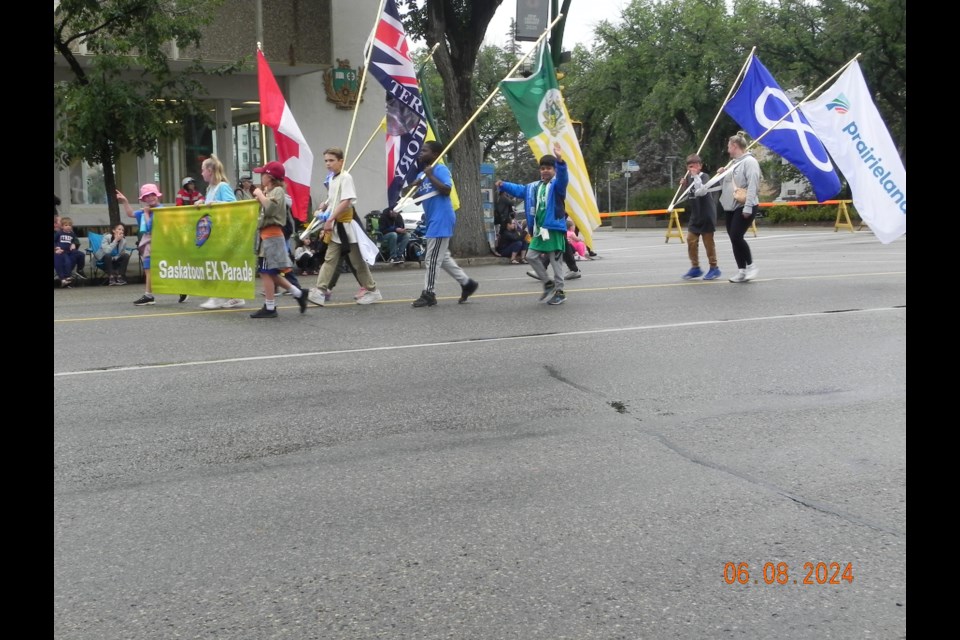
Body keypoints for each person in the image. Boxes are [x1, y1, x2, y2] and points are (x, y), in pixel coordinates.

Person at [307, 147, 383, 306]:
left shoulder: (346, 177)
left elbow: (346, 201)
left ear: (341, 161)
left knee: (357, 262)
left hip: (347, 227)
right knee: (329, 259)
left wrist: (331, 218)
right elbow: (334, 199)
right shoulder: (333, 179)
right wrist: (325, 205)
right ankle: (320, 290)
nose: (328, 163)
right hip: (337, 227)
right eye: (326, 160)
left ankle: (373, 290)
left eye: (331, 160)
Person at [498, 142, 569, 305]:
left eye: (549, 168)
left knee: (555, 261)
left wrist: (560, 160)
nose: (545, 171)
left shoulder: (557, 186)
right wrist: (504, 184)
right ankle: (548, 283)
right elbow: (519, 190)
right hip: (539, 231)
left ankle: (560, 291)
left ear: (554, 170)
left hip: (553, 230)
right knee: (530, 256)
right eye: (543, 168)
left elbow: (564, 177)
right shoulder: (533, 187)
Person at [410, 140, 479, 308]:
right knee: (442, 257)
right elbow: (416, 200)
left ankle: (429, 293)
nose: (421, 153)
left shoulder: (440, 169)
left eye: (424, 150)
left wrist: (431, 175)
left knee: (431, 259)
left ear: (434, 154)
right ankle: (467, 284)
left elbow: (447, 190)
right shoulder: (421, 174)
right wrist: (414, 186)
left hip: (442, 219)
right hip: (432, 219)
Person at [248, 161, 308, 318]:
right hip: (267, 237)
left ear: (270, 177)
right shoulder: (270, 192)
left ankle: (270, 307)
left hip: (272, 237)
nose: (261, 177)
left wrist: (261, 195)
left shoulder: (278, 191)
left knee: (266, 272)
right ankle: (298, 293)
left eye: (263, 174)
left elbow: (271, 208)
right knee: (271, 273)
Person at [117, 184, 189, 305]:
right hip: (149, 244)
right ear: (143, 199)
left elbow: (150, 228)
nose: (150, 198)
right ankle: (150, 295)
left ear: (157, 196)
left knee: (164, 269)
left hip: (159, 244)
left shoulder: (160, 210)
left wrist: (146, 213)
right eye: (147, 196)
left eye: (152, 195)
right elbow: (130, 214)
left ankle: (178, 290)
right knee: (149, 268)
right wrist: (125, 201)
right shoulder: (147, 210)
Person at [198, 155, 245, 310]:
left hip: (225, 232)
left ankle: (218, 296)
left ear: (210, 171)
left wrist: (216, 203)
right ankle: (234, 296)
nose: (201, 173)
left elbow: (234, 205)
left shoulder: (222, 187)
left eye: (203, 170)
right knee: (219, 263)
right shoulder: (210, 189)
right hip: (214, 233)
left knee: (218, 263)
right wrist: (202, 204)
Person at [717, 133, 762, 283]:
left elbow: (753, 185)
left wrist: (748, 207)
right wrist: (722, 175)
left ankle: (751, 266)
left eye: (729, 146)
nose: (727, 149)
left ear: (735, 146)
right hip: (731, 206)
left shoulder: (750, 162)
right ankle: (741, 270)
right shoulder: (733, 163)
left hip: (744, 205)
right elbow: (728, 185)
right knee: (734, 238)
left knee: (736, 235)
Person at [679, 153, 721, 280]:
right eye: (689, 166)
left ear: (700, 166)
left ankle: (714, 268)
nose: (691, 169)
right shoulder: (690, 179)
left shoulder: (704, 177)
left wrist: (695, 176)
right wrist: (683, 186)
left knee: (708, 243)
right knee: (691, 240)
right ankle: (695, 267)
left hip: (707, 214)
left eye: (694, 166)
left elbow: (701, 190)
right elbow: (687, 196)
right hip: (696, 215)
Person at [54, 216, 86, 287]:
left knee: (80, 255)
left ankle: (79, 271)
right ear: (56, 224)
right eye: (65, 225)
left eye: (69, 225)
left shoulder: (71, 233)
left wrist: (73, 243)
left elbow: (75, 240)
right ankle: (64, 278)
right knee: (63, 260)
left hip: (69, 251)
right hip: (59, 253)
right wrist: (56, 248)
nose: (68, 226)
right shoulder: (58, 233)